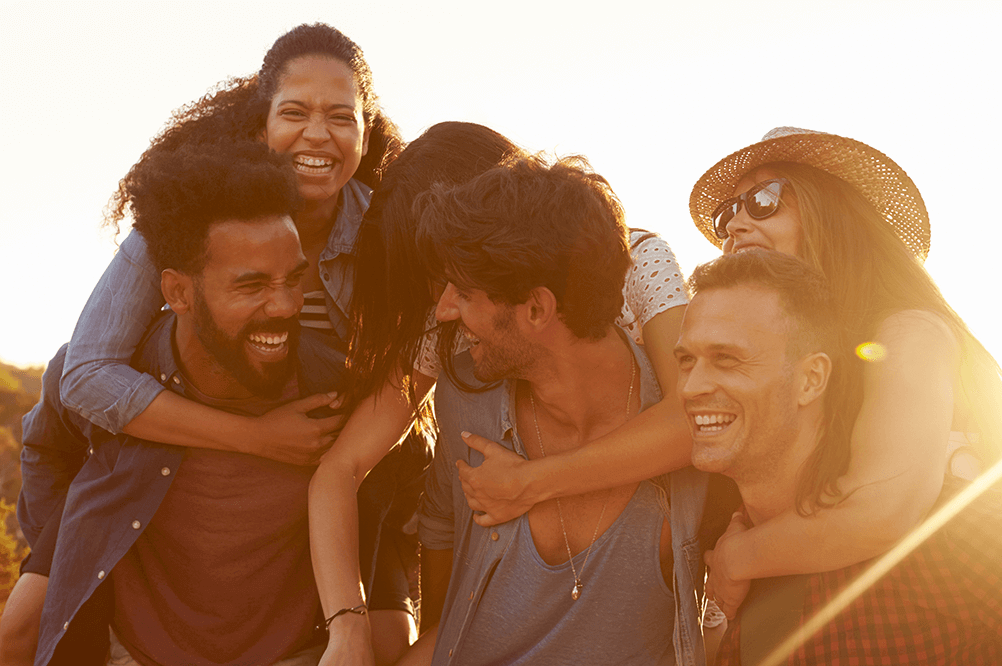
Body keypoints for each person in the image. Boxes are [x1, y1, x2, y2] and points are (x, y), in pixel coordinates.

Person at [458, 126, 1002, 623]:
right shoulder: (783, 366)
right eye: (727, 215)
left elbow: (883, 509)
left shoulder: (909, 332)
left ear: (832, 213)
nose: (736, 222)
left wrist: (740, 556)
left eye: (764, 200)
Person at [12, 22, 420, 665]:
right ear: (262, 124)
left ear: (366, 131)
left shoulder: (388, 234)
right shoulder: (194, 218)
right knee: (27, 627)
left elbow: (419, 370)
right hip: (153, 463)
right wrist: (255, 438)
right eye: (295, 113)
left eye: (343, 116)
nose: (319, 134)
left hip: (346, 478)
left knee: (390, 642)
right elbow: (85, 375)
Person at [308, 121, 698, 664]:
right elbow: (341, 468)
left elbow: (692, 415)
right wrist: (349, 628)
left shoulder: (636, 263)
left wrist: (531, 483)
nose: (441, 304)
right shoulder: (452, 339)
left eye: (455, 279)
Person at [16, 141, 351, 665]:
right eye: (253, 285)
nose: (286, 305)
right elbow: (45, 447)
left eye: (293, 278)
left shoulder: (334, 386)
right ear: (178, 291)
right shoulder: (110, 383)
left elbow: (393, 489)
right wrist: (70, 557)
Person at [408, 155, 711, 666]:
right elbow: (441, 523)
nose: (444, 311)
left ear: (536, 309)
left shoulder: (682, 419)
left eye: (463, 292)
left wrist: (532, 482)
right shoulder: (466, 398)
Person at [676, 249, 1002, 664]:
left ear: (811, 379)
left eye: (727, 359)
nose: (691, 387)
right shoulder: (729, 589)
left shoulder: (953, 539)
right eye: (687, 360)